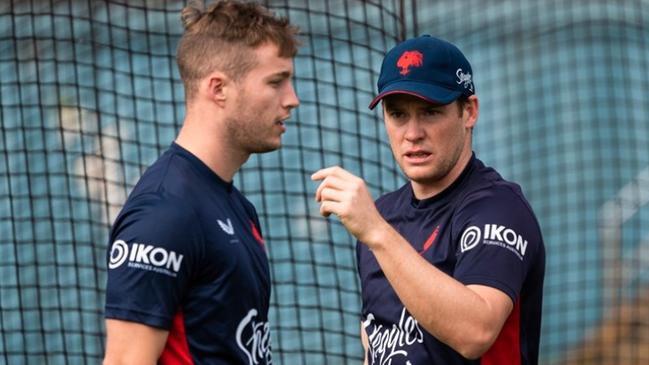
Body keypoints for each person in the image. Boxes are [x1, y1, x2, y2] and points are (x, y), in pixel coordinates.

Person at [312, 35, 545, 364]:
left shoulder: (498, 209)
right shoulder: (382, 215)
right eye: (397, 115)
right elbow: (376, 345)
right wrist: (376, 231)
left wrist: (376, 233)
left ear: (469, 112)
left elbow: (475, 332)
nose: (412, 133)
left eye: (431, 112)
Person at [103, 1, 299, 363]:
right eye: (276, 82)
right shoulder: (165, 213)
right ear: (218, 88)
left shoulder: (237, 207)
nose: (292, 100)